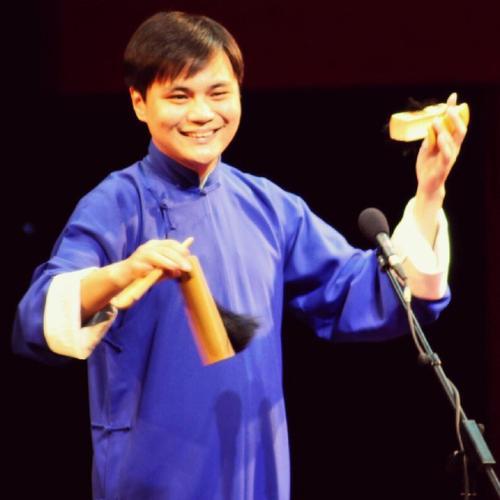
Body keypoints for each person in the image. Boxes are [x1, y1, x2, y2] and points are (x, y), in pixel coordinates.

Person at [12, 10, 467, 500]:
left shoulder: (268, 206)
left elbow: (371, 293)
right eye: (179, 96)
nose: (202, 113)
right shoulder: (116, 204)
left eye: (218, 93)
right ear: (139, 102)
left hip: (256, 465)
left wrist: (429, 192)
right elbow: (39, 317)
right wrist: (123, 273)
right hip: (155, 473)